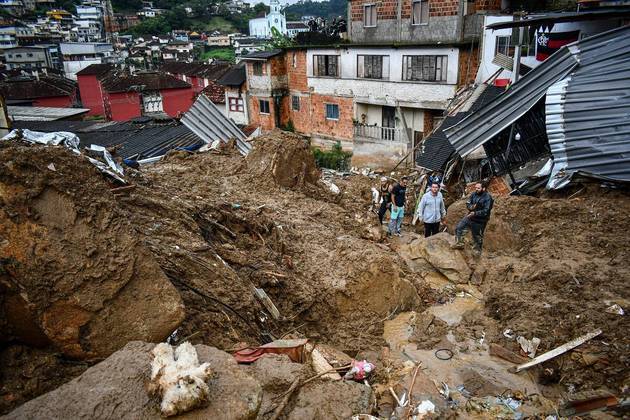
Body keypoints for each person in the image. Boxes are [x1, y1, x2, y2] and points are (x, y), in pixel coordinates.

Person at [452, 181, 494, 254]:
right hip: (470, 216)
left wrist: (475, 213)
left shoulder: (488, 198)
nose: (476, 189)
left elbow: (486, 211)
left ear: (483, 189)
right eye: (476, 188)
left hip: (480, 221)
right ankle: (460, 243)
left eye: (478, 188)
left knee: (477, 236)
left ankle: (477, 251)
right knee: (459, 228)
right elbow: (468, 203)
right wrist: (471, 207)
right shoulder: (474, 194)